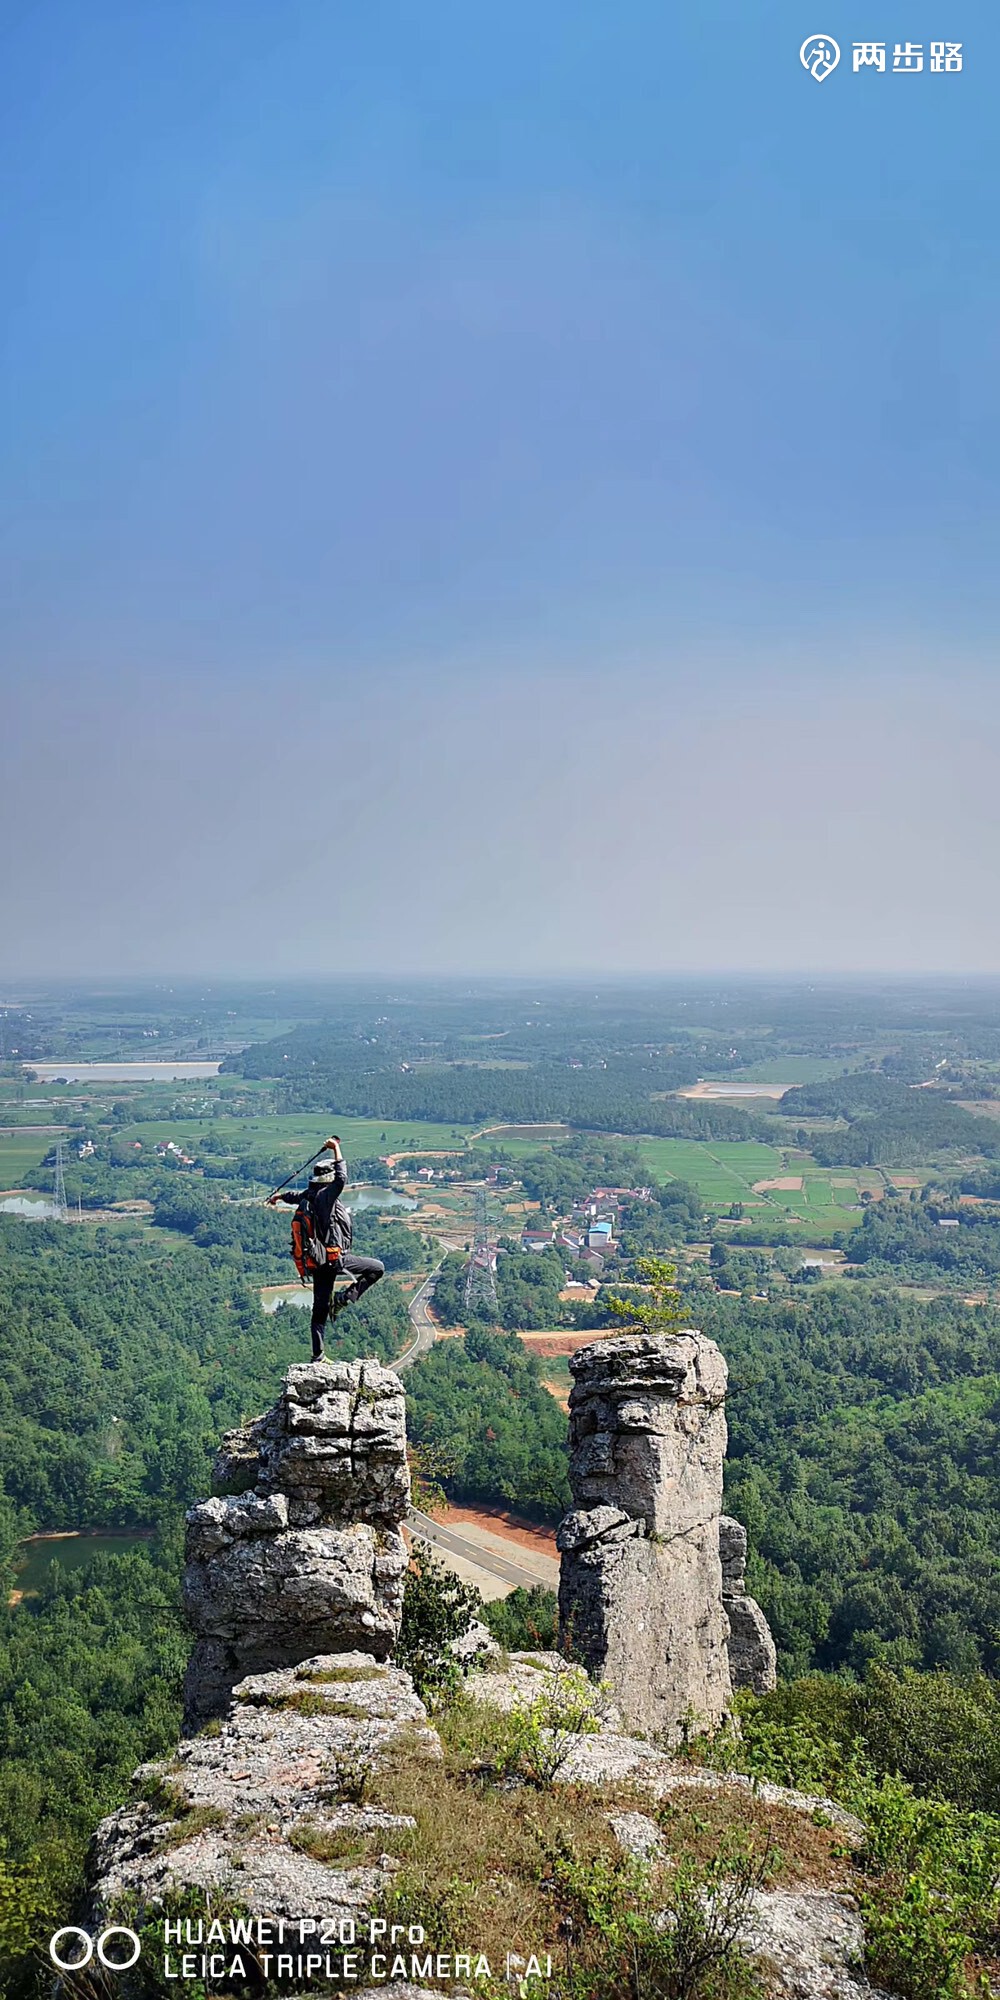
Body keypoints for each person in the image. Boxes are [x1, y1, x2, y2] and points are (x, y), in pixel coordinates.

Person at [268, 1136, 385, 1362]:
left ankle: (318, 1355)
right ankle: (343, 1299)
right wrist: (336, 1149)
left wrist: (280, 1197)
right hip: (335, 1260)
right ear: (327, 1179)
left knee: (319, 1312)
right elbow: (342, 1178)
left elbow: (295, 1197)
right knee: (377, 1269)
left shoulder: (310, 1196)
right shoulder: (325, 1196)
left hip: (318, 1263)